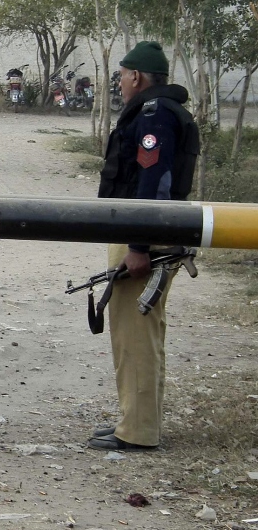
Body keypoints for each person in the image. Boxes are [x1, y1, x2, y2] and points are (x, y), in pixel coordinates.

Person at [88, 41, 199, 452]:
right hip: (151, 231)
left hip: (146, 234)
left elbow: (153, 184)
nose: (120, 81)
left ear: (136, 76)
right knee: (145, 331)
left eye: (121, 75)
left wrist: (138, 245)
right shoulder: (160, 111)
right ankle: (139, 420)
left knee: (134, 330)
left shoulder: (154, 116)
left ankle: (136, 432)